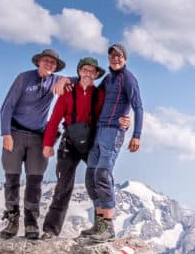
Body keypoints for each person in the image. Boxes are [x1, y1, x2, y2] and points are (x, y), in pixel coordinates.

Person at [38, 57, 129, 239]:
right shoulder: (67, 93)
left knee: (98, 181)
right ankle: (50, 230)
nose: (88, 73)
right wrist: (48, 144)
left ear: (96, 75)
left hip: (92, 143)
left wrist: (124, 120)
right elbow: (55, 119)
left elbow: (113, 111)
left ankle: (101, 227)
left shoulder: (100, 95)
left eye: (92, 71)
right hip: (69, 144)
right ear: (79, 71)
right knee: (63, 186)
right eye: (84, 70)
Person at [0, 48, 69, 240]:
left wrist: (64, 80)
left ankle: (31, 221)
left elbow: (79, 79)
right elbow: (6, 107)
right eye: (46, 61)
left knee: (34, 182)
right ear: (38, 61)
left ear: (56, 67)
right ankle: (12, 219)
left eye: (53, 63)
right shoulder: (23, 78)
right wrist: (6, 133)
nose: (49, 64)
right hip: (16, 133)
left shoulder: (55, 79)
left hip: (39, 137)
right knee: (12, 179)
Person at [80, 43, 143, 245]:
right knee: (90, 176)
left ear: (125, 58)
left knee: (103, 174)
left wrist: (136, 134)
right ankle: (98, 225)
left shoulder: (129, 78)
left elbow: (138, 106)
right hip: (99, 131)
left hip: (114, 132)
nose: (115, 59)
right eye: (112, 56)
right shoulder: (108, 78)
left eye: (119, 56)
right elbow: (93, 93)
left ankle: (109, 227)